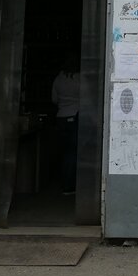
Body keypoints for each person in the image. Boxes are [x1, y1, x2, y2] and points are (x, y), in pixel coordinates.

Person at [51, 58, 81, 195]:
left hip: (61, 117)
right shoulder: (80, 79)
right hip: (75, 116)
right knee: (73, 152)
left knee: (65, 152)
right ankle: (70, 185)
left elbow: (54, 99)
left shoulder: (58, 79)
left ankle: (64, 182)